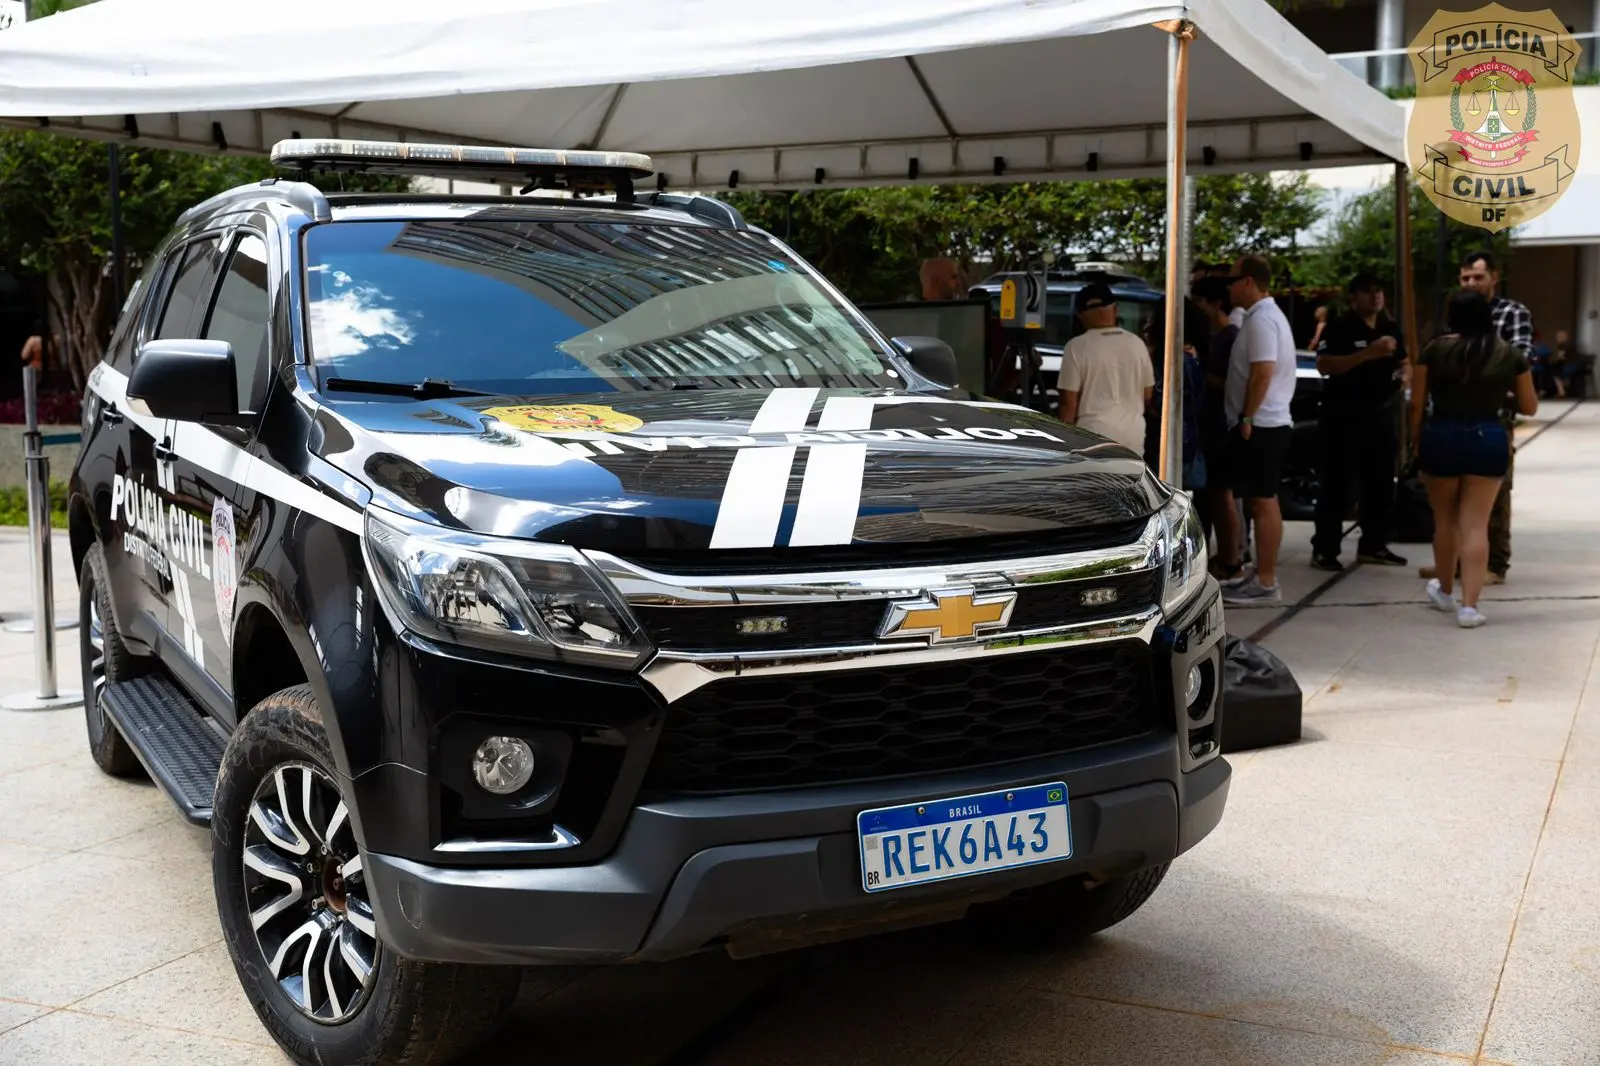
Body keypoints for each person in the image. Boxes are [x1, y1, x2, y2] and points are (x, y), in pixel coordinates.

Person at [1409, 290, 1538, 627]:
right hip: (1488, 437)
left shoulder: (1434, 349)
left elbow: (1417, 403)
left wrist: (1415, 440)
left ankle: (1445, 591)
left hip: (1441, 435)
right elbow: (1529, 406)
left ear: (1452, 316)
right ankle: (1469, 607)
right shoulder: (1507, 353)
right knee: (1476, 525)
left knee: (1445, 521)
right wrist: (1500, 395)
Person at [1422, 250, 1528, 587]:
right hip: (1454, 416)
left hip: (1494, 414)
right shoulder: (1456, 315)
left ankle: (1494, 563)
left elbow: (1522, 361)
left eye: (1478, 277)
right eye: (1465, 277)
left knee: (1494, 501)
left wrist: (1486, 384)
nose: (1471, 282)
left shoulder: (1512, 313)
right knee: (1453, 506)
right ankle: (1452, 565)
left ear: (1494, 277)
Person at [1309, 273, 1408, 570]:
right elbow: (1325, 365)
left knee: (1380, 482)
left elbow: (1404, 361)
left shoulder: (1389, 327)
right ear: (1354, 297)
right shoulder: (1340, 327)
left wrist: (1404, 376)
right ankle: (1325, 549)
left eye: (1379, 291)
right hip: (1343, 416)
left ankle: (1374, 545)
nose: (1375, 297)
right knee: (1337, 483)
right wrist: (1367, 354)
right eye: (1368, 292)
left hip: (1380, 413)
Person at [1220, 255, 1298, 606]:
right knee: (1259, 499)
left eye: (1232, 280)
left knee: (1264, 502)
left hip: (1263, 424)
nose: (1228, 288)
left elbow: (1263, 371)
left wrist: (1247, 417)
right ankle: (1261, 575)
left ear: (1248, 281)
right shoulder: (1261, 316)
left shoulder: (1263, 319)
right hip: (1264, 422)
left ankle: (1266, 582)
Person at [1057, 281, 1155, 455]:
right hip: (1133, 437)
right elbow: (1147, 395)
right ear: (1115, 310)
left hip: (1092, 436)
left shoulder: (1076, 347)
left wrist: (1062, 447)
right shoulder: (1137, 344)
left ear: (1080, 315)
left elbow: (1068, 404)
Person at [1192, 276, 1241, 574]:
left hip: (1222, 427)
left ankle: (1231, 559)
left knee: (1222, 496)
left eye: (1199, 302)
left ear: (1215, 303)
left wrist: (1200, 371)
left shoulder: (1231, 338)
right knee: (1206, 497)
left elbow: (1234, 385)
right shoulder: (1208, 336)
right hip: (1206, 426)